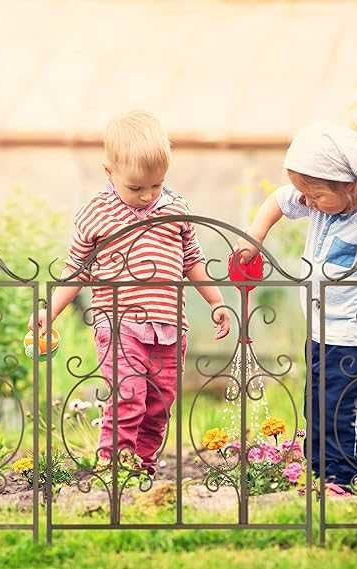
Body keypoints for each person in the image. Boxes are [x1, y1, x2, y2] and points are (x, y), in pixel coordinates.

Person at [29, 110, 231, 475]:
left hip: (169, 326)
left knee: (159, 402)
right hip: (118, 322)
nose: (147, 195)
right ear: (109, 172)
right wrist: (50, 311)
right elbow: (77, 269)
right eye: (135, 188)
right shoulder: (96, 213)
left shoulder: (176, 209)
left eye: (156, 185)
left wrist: (216, 301)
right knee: (129, 394)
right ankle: (114, 464)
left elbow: (192, 260)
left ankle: (144, 465)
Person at [237, 122, 357, 495]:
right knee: (315, 405)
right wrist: (254, 240)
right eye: (305, 194)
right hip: (320, 334)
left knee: (343, 411)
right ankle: (319, 473)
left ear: (347, 185)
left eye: (315, 194)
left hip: (356, 340)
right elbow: (275, 203)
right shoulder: (319, 204)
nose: (307, 202)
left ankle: (342, 480)